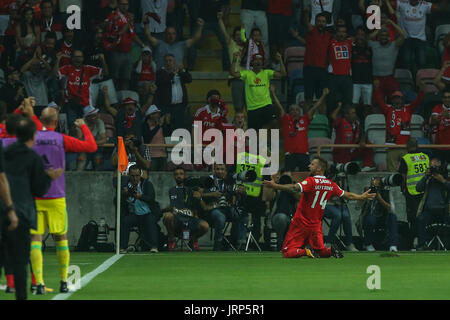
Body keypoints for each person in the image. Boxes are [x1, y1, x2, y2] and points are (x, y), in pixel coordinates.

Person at [263, 156, 376, 258]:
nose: (308, 165)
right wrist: (361, 196)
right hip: (316, 225)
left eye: (312, 164)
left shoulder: (311, 181)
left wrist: (275, 185)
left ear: (319, 169)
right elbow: (348, 195)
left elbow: (294, 188)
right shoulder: (331, 184)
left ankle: (305, 251)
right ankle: (330, 251)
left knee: (287, 252)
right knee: (321, 251)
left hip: (301, 223)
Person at [2, 115, 61, 300]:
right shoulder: (33, 158)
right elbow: (39, 190)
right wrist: (49, 177)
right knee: (20, 261)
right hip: (21, 212)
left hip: (2, 209)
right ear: (32, 136)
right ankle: (21, 296)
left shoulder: (5, 153)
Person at [273, 85, 329, 171]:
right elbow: (279, 106)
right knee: (287, 176)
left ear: (300, 112)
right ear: (289, 112)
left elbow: (315, 107)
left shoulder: (305, 119)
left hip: (303, 153)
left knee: (306, 176)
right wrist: (273, 93)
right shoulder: (286, 119)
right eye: (292, 110)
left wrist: (323, 95)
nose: (295, 111)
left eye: (297, 110)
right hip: (290, 153)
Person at [374, 80, 425, 171]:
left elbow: (418, 100)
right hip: (392, 147)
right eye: (394, 98)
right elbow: (379, 100)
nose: (396, 100)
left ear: (402, 99)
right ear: (392, 100)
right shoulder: (388, 110)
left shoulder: (408, 109)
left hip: (405, 147)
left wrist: (421, 90)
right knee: (392, 174)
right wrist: (377, 89)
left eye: (398, 98)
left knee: (407, 170)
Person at [230, 51, 286, 130]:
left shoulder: (267, 72)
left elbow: (283, 74)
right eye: (256, 60)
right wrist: (234, 60)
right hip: (252, 108)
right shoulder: (247, 73)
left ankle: (262, 133)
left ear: (263, 62)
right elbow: (233, 74)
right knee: (254, 133)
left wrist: (280, 60)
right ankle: (261, 136)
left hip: (266, 105)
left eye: (260, 60)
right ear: (252, 62)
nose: (258, 61)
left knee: (274, 122)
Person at [201, 163, 248, 251]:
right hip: (213, 208)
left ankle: (240, 243)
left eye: (222, 169)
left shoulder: (230, 181)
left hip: (228, 208)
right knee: (220, 217)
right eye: (218, 169)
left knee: (243, 215)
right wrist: (212, 194)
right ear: (214, 170)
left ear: (226, 171)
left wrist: (242, 192)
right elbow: (198, 195)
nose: (220, 171)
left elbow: (237, 197)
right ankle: (218, 242)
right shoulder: (207, 180)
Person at [54, 49, 107, 125]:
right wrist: (58, 60)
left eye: (80, 57)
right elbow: (55, 74)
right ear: (71, 58)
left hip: (86, 105)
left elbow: (105, 73)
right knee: (73, 126)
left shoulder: (88, 69)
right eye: (75, 57)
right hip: (72, 104)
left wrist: (103, 60)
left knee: (86, 127)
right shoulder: (67, 68)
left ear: (83, 58)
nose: (78, 59)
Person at [163, 167, 210, 251]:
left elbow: (202, 207)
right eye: (176, 174)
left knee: (205, 226)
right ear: (174, 176)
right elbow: (173, 207)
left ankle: (193, 240)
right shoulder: (172, 190)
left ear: (185, 176)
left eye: (181, 174)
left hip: (190, 219)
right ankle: (171, 240)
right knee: (168, 216)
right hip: (177, 219)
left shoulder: (192, 189)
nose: (179, 176)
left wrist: (200, 198)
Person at [120, 165, 161, 253]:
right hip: (134, 214)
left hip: (147, 213)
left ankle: (154, 246)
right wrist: (124, 194)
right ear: (128, 175)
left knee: (151, 221)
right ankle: (122, 247)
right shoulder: (125, 186)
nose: (135, 178)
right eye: (133, 176)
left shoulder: (147, 184)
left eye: (137, 176)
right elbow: (118, 200)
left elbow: (151, 199)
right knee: (124, 221)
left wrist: (140, 196)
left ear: (140, 175)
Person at [105, 0, 145, 90]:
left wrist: (143, 45)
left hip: (127, 52)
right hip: (116, 52)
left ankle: (125, 100)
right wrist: (129, 22)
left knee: (126, 78)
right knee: (114, 78)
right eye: (122, 4)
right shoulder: (113, 16)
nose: (125, 6)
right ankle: (114, 101)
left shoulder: (128, 17)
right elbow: (119, 33)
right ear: (118, 5)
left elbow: (132, 34)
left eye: (126, 4)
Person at [398, 137, 430, 248]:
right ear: (417, 145)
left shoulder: (406, 158)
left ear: (407, 146)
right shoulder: (425, 157)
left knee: (413, 218)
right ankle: (422, 240)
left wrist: (402, 189)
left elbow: (403, 177)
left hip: (411, 192)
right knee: (423, 216)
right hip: (425, 192)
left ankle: (414, 241)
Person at [415, 157, 450, 250]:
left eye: (436, 166)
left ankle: (447, 244)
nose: (434, 168)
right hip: (429, 210)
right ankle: (422, 245)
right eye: (432, 166)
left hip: (444, 210)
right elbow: (418, 188)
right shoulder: (428, 179)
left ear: (440, 166)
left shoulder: (446, 176)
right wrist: (426, 176)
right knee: (421, 219)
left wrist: (443, 181)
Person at [357, 176, 399, 252]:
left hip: (383, 217)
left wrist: (379, 198)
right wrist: (363, 196)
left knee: (393, 217)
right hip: (370, 216)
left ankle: (393, 245)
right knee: (370, 219)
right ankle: (368, 244)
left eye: (378, 184)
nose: (376, 187)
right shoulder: (367, 190)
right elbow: (357, 207)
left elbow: (392, 209)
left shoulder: (387, 191)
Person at [331, 103, 376, 172]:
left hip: (352, 150)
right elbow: (333, 116)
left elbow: (363, 134)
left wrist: (362, 140)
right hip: (341, 152)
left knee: (368, 145)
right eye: (352, 113)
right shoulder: (340, 122)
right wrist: (339, 107)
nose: (354, 115)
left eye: (354, 113)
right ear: (346, 115)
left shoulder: (357, 123)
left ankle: (367, 166)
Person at [368, 21, 405, 103]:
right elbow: (368, 38)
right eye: (382, 35)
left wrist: (392, 23)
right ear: (378, 37)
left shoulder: (394, 45)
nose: (383, 37)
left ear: (389, 37)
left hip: (390, 79)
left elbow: (403, 35)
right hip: (376, 79)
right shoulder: (374, 45)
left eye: (385, 35)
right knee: (376, 103)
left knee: (396, 101)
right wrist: (380, 28)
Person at [154, 54, 192, 130]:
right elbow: (164, 80)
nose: (168, 62)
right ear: (164, 63)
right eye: (166, 61)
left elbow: (189, 79)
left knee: (179, 129)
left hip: (179, 107)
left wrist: (182, 71)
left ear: (174, 62)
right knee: (166, 129)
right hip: (166, 107)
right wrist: (174, 73)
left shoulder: (180, 73)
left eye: (170, 60)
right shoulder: (160, 72)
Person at [218, 11, 245, 111]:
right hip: (236, 79)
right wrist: (220, 19)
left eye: (240, 34)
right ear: (234, 36)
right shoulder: (232, 45)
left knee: (251, 108)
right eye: (237, 35)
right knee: (238, 108)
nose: (239, 36)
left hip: (248, 79)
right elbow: (224, 32)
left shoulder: (250, 46)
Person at [269, 171, 299, 250]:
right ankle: (280, 241)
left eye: (288, 177)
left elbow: (300, 198)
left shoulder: (295, 188)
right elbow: (267, 197)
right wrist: (275, 185)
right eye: (284, 177)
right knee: (281, 217)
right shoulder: (276, 188)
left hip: (292, 219)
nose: (286, 180)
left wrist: (292, 186)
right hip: (277, 218)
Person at [142, 105, 170, 171]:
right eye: (156, 114)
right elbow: (147, 138)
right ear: (150, 115)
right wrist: (158, 126)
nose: (158, 115)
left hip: (162, 155)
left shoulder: (160, 124)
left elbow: (168, 134)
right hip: (151, 155)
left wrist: (167, 123)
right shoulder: (145, 125)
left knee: (164, 176)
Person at [430, 88, 450, 164]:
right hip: (439, 145)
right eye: (445, 97)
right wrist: (442, 115)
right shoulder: (437, 108)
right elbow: (434, 121)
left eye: (449, 97)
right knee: (438, 169)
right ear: (442, 99)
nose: (447, 99)